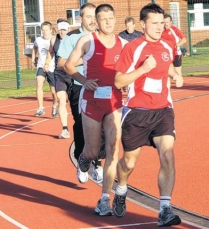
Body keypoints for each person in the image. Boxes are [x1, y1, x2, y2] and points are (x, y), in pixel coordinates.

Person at [111, 3, 183, 227]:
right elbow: (118, 81)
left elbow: (167, 65)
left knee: (168, 155)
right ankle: (121, 189)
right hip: (137, 113)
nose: (160, 27)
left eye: (162, 23)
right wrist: (142, 69)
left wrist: (175, 76)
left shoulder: (168, 45)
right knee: (129, 163)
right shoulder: (133, 48)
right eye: (155, 23)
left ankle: (164, 209)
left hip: (163, 111)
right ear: (143, 24)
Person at [64, 4, 127, 216]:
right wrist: (84, 80)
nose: (108, 22)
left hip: (114, 102)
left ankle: (104, 199)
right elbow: (69, 65)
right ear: (96, 22)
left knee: (113, 149)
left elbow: (131, 69)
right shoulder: (87, 40)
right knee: (92, 151)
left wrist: (127, 81)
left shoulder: (124, 43)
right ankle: (83, 159)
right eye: (103, 18)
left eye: (111, 17)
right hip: (91, 101)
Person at [57, 3, 105, 183]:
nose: (93, 20)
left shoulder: (102, 36)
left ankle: (98, 163)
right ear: (80, 18)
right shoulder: (72, 37)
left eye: (95, 17)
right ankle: (80, 159)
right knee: (81, 124)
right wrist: (82, 59)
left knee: (101, 126)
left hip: (102, 87)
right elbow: (61, 63)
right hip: (79, 85)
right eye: (89, 17)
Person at [45, 18, 71, 138]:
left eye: (65, 30)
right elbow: (50, 52)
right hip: (59, 74)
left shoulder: (73, 40)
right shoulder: (53, 40)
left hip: (72, 73)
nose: (62, 32)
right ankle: (65, 129)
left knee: (75, 104)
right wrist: (47, 62)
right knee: (61, 100)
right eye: (60, 29)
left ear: (68, 29)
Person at [31, 21, 58, 117]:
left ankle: (55, 106)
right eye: (43, 30)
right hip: (41, 66)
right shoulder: (38, 40)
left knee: (54, 91)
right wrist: (33, 60)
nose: (45, 32)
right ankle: (41, 108)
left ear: (51, 30)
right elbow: (34, 48)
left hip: (52, 67)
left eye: (47, 30)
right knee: (39, 84)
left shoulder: (55, 39)